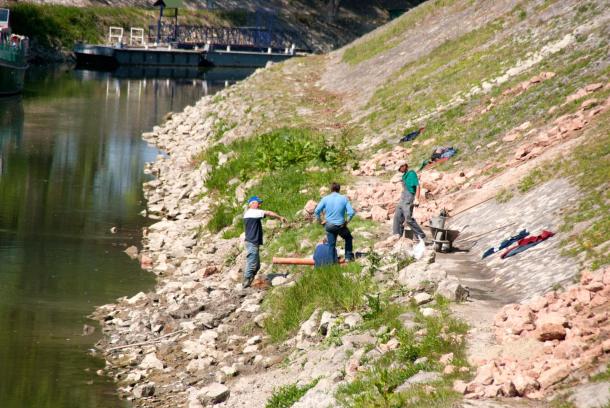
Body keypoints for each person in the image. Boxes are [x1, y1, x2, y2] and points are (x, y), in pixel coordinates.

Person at [243, 195, 287, 288]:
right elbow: (268, 213)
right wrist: (280, 217)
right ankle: (245, 284)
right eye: (258, 203)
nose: (259, 205)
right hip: (252, 242)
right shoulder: (252, 212)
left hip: (252, 242)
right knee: (252, 264)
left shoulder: (250, 213)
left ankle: (249, 282)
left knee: (257, 265)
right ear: (252, 204)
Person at [314, 182, 356, 261]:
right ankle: (348, 258)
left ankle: (332, 263)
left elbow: (316, 211)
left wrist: (320, 221)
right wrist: (347, 222)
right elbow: (351, 213)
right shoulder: (344, 198)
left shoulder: (325, 198)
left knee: (331, 245)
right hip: (340, 226)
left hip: (329, 225)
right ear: (339, 189)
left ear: (331, 189)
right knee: (348, 238)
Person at [393, 163, 426, 242]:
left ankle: (421, 236)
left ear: (404, 166)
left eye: (400, 168)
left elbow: (417, 186)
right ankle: (397, 235)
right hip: (403, 198)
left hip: (409, 198)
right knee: (397, 216)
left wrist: (417, 199)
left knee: (408, 219)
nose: (399, 170)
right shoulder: (404, 175)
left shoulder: (411, 174)